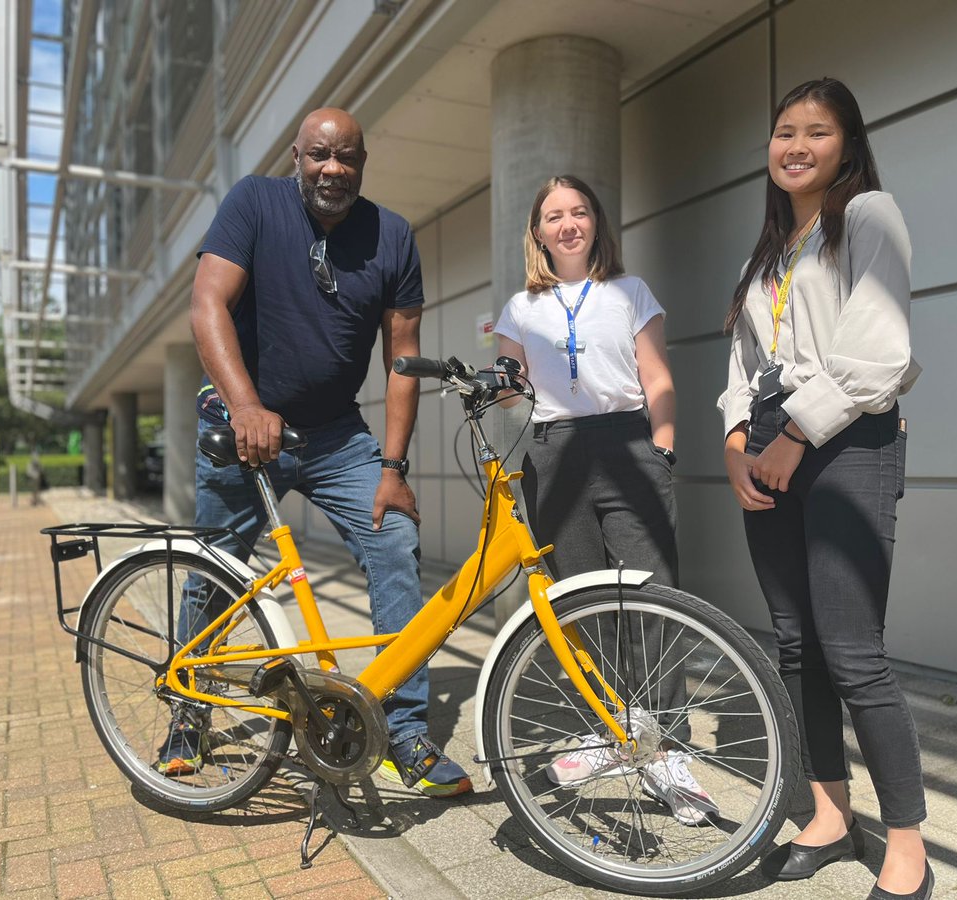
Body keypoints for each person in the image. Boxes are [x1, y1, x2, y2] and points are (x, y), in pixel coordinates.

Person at [173, 107, 470, 798]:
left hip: (337, 436)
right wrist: (247, 405)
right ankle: (188, 714)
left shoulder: (392, 235)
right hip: (246, 426)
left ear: (363, 163)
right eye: (318, 156)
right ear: (297, 156)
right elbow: (206, 305)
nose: (332, 169)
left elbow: (404, 358)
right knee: (214, 569)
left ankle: (402, 730)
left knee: (394, 539)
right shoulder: (253, 202)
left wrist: (393, 468)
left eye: (347, 158)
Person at [718, 78, 929, 899]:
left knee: (853, 654)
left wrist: (796, 435)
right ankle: (830, 815)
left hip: (844, 441)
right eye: (782, 132)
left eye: (815, 131)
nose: (795, 145)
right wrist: (738, 438)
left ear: (847, 143)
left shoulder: (869, 215)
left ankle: (906, 845)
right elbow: (739, 366)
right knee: (797, 645)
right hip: (771, 443)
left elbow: (878, 353)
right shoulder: (766, 253)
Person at [493, 174, 718, 827]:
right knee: (584, 605)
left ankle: (668, 749)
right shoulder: (519, 308)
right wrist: (506, 384)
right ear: (537, 231)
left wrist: (665, 448)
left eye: (579, 212)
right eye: (554, 215)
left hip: (629, 444)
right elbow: (512, 393)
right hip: (554, 450)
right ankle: (615, 730)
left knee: (652, 598)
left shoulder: (629, 292)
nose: (568, 224)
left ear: (595, 222)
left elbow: (658, 378)